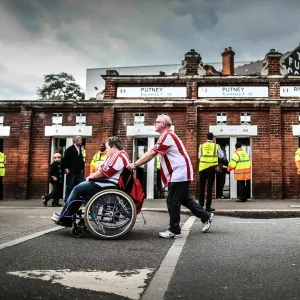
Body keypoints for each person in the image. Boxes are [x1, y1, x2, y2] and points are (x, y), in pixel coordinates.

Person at [127, 114, 213, 239]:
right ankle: (206, 216)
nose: (154, 124)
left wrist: (135, 164)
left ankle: (174, 230)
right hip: (180, 173)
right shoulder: (167, 136)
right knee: (183, 199)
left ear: (163, 124)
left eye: (156, 122)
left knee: (172, 201)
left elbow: (152, 153)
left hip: (180, 173)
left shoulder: (167, 136)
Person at [51, 136, 129, 225]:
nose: (106, 150)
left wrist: (90, 177)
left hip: (106, 184)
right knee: (80, 191)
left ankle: (65, 218)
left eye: (107, 148)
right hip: (109, 183)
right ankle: (68, 215)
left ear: (114, 147)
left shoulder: (116, 156)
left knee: (77, 189)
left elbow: (104, 172)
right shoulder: (123, 155)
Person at [198, 132, 224, 212]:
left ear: (206, 137)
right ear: (212, 138)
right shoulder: (216, 146)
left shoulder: (201, 146)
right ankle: (208, 206)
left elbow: (199, 156)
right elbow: (221, 155)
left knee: (201, 187)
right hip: (211, 168)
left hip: (202, 168)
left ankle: (200, 206)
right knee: (209, 187)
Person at [62, 136, 85, 202]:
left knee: (82, 184)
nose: (81, 141)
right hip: (71, 171)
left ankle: (78, 198)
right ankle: (67, 199)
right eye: (80, 140)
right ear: (75, 141)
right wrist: (66, 168)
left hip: (79, 171)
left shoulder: (81, 149)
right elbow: (65, 160)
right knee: (69, 185)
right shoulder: (69, 149)